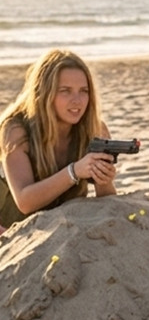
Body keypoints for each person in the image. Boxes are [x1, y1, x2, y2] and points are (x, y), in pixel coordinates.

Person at [0, 50, 119, 233]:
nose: (77, 100)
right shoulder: (16, 130)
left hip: (57, 227)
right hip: (9, 225)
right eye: (65, 91)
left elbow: (108, 199)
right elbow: (25, 202)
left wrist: (103, 176)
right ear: (45, 93)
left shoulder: (95, 129)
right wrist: (75, 171)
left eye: (84, 91)